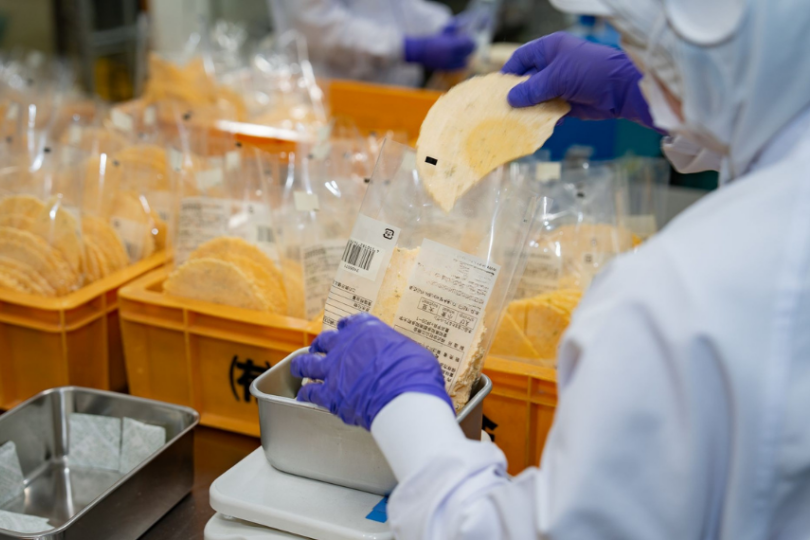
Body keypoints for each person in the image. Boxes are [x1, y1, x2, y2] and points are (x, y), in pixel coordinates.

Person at [294, 0, 810, 537]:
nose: (635, 55)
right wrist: (653, 94)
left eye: (639, 42)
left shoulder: (671, 303)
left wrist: (405, 410)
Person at [266, 0, 476, 87]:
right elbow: (319, 25)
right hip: (330, 91)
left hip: (391, 91)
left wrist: (440, 23)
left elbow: (394, 5)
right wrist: (406, 48)